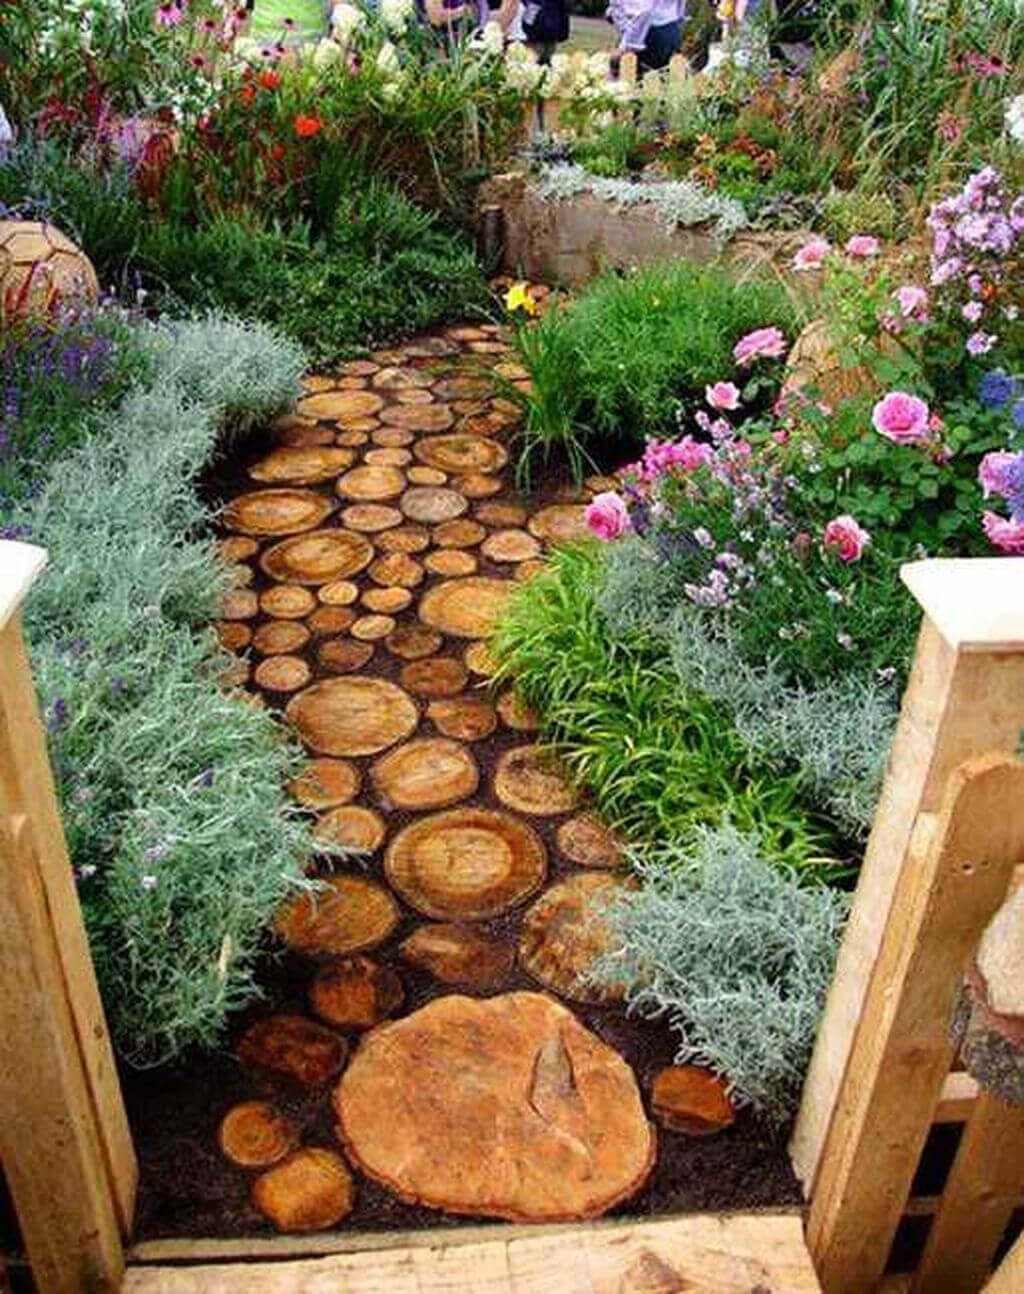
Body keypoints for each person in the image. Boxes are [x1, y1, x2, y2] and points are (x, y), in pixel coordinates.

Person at [606, 0, 685, 71]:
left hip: (647, 35)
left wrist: (625, 47)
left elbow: (644, 12)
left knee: (630, 76)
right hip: (669, 27)